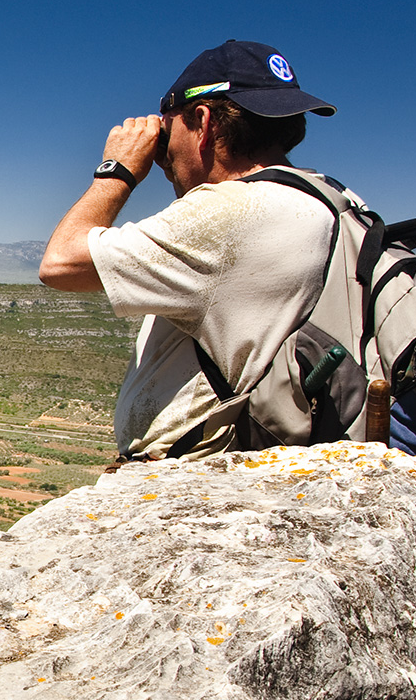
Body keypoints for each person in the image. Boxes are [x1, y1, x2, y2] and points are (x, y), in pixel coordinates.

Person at [38, 40, 344, 461]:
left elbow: (60, 264)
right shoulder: (329, 199)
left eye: (169, 131)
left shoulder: (234, 212)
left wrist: (118, 170)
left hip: (201, 474)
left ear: (203, 121)